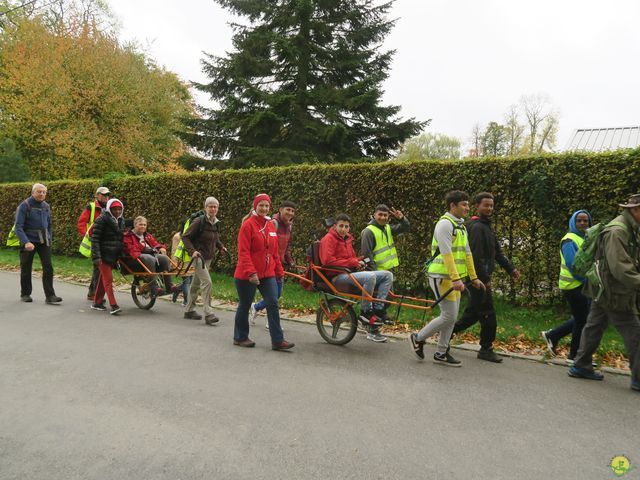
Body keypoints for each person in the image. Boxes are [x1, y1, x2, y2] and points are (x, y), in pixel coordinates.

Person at [569, 194, 640, 392]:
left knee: (594, 326)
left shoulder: (629, 227)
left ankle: (580, 365)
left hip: (604, 289)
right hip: (614, 292)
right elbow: (620, 267)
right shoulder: (618, 231)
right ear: (635, 210)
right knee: (635, 333)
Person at [409, 190, 484, 366]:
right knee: (449, 316)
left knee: (451, 315)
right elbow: (447, 253)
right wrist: (456, 279)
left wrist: (473, 277)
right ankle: (418, 338)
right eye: (464, 204)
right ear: (452, 206)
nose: (467, 208)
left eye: (467, 204)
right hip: (441, 276)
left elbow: (467, 253)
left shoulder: (461, 226)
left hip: (454, 278)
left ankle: (441, 353)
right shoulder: (444, 224)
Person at [448, 192, 520, 363]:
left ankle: (447, 334)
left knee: (473, 314)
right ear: (477, 206)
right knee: (488, 314)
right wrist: (484, 279)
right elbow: (475, 256)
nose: (489, 208)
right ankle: (486, 349)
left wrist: (511, 269)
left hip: (480, 278)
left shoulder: (486, 226)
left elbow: (497, 252)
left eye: (491, 206)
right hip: (477, 279)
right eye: (486, 205)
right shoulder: (476, 228)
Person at [319, 213, 394, 342]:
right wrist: (353, 263)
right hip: (337, 277)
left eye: (346, 226)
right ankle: (366, 312)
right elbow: (328, 261)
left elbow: (350, 259)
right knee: (370, 277)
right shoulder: (328, 239)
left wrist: (360, 261)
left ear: (349, 228)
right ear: (335, 226)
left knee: (388, 275)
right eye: (341, 226)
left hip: (349, 273)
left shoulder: (347, 239)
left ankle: (379, 308)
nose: (343, 229)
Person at [233, 194, 294, 350]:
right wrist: (251, 272)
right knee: (245, 305)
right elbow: (243, 252)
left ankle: (278, 341)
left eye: (267, 206)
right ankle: (240, 337)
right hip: (247, 274)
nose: (264, 208)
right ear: (255, 206)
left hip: (267, 274)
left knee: (272, 302)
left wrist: (279, 271)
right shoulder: (248, 225)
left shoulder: (270, 225)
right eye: (261, 205)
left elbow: (274, 252)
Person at [541, 210, 592, 363]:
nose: (582, 223)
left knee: (582, 318)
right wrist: (586, 279)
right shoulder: (569, 240)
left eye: (585, 221)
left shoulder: (587, 238)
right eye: (579, 221)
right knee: (582, 320)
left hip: (582, 285)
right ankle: (574, 355)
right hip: (573, 286)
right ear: (573, 222)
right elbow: (572, 265)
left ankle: (553, 336)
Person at [361, 203, 410, 327]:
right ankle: (371, 320)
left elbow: (405, 227)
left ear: (388, 217)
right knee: (379, 299)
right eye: (380, 215)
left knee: (387, 298)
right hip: (377, 272)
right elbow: (367, 255)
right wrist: (374, 273)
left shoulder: (387, 228)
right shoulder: (368, 231)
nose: (383, 217)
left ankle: (378, 315)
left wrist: (401, 218)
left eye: (385, 215)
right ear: (374, 215)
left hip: (387, 271)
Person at [250, 200, 297, 327]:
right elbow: (268, 245)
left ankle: (257, 307)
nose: (290, 213)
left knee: (277, 294)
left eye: (292, 211)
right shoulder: (273, 223)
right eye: (287, 209)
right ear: (280, 210)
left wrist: (289, 260)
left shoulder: (289, 226)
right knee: (273, 295)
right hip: (270, 263)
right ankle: (270, 322)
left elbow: (287, 246)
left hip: (279, 263)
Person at [14, 183, 62, 304]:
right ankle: (25, 294)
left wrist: (49, 238)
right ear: (33, 192)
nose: (42, 194)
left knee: (48, 267)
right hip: (28, 241)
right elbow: (18, 227)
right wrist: (26, 242)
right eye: (39, 192)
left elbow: (49, 225)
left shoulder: (46, 206)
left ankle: (50, 296)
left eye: (44, 192)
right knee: (26, 267)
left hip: (43, 241)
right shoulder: (24, 206)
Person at [180, 197, 225, 326]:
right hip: (199, 257)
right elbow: (185, 237)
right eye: (210, 206)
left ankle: (189, 310)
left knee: (195, 284)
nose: (213, 209)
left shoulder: (215, 222)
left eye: (215, 207)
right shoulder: (199, 221)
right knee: (207, 282)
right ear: (205, 208)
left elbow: (215, 238)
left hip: (208, 257)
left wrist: (221, 246)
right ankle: (208, 313)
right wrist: (192, 251)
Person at [122, 216, 175, 296]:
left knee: (164, 258)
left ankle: (169, 286)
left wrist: (161, 248)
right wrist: (146, 249)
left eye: (144, 225)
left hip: (148, 258)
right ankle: (154, 289)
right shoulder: (128, 236)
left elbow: (155, 244)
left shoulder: (147, 235)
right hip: (133, 260)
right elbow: (132, 250)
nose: (143, 226)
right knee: (149, 258)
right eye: (141, 224)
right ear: (135, 225)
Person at [90, 198, 125, 315]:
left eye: (119, 209)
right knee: (108, 280)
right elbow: (95, 239)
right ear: (109, 209)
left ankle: (97, 303)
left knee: (103, 279)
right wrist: (97, 257)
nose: (117, 211)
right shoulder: (101, 220)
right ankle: (114, 305)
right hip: (103, 255)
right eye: (114, 209)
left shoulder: (120, 220)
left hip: (113, 255)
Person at [77, 186, 111, 301]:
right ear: (97, 195)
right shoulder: (91, 207)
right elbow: (81, 223)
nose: (106, 197)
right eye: (103, 194)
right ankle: (94, 294)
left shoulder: (110, 207)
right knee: (98, 267)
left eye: (107, 195)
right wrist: (87, 236)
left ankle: (93, 293)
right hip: (94, 242)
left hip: (105, 242)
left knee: (99, 268)